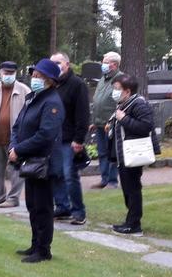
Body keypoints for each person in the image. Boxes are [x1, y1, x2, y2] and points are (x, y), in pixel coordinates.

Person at [10, 58, 64, 263]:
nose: (34, 78)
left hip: (43, 163)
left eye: (39, 76)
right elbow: (18, 125)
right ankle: (35, 244)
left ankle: (43, 250)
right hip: (30, 160)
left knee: (43, 207)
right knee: (32, 205)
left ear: (50, 80)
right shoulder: (33, 98)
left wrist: (19, 149)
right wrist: (13, 146)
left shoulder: (52, 102)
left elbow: (45, 135)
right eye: (33, 75)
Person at [106, 73, 155, 235]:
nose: (114, 92)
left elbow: (146, 126)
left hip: (134, 154)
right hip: (124, 155)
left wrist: (124, 119)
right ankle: (130, 221)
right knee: (128, 188)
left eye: (117, 89)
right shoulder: (124, 104)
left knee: (132, 189)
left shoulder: (139, 104)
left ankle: (134, 224)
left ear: (127, 91)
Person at [0, 61, 30, 207]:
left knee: (15, 170)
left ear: (15, 73)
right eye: (5, 73)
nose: (8, 75)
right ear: (0, 73)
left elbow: (30, 115)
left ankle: (13, 198)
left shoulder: (24, 91)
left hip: (15, 139)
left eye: (11, 73)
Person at [50, 52, 90, 225]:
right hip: (54, 138)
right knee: (55, 174)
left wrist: (79, 139)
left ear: (67, 64)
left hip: (69, 138)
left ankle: (78, 211)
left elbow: (83, 114)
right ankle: (62, 206)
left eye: (58, 62)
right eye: (52, 63)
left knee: (69, 175)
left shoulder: (77, 84)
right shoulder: (52, 84)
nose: (55, 66)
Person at [90, 51, 122, 190]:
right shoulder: (103, 79)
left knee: (111, 153)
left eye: (105, 62)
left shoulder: (120, 79)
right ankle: (104, 179)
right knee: (102, 152)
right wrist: (94, 121)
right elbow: (98, 100)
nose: (102, 64)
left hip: (111, 124)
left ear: (114, 65)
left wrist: (113, 121)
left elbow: (121, 102)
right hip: (99, 123)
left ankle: (112, 181)